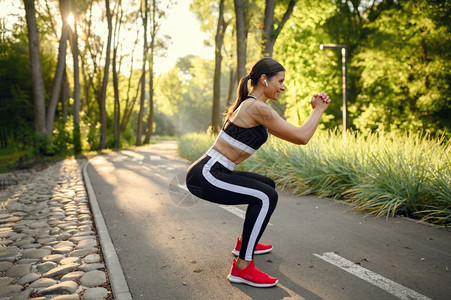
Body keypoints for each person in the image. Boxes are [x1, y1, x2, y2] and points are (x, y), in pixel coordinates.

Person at [185, 57, 331, 288]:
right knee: (265, 197)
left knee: (267, 185)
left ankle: (245, 244)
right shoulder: (256, 107)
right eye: (280, 81)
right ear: (264, 80)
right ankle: (242, 267)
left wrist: (314, 110)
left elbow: (293, 131)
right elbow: (302, 137)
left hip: (213, 171)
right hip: (207, 174)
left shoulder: (254, 105)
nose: (283, 87)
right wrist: (319, 110)